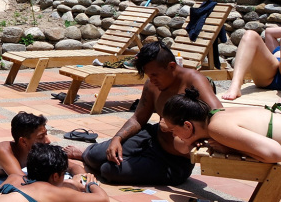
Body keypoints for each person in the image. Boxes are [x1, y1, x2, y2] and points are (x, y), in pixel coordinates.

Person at [68, 40, 222, 185]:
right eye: (149, 76)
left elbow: (218, 114)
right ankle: (86, 154)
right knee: (96, 157)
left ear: (172, 66)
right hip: (152, 137)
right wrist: (117, 138)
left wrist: (187, 131)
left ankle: (130, 160)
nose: (152, 80)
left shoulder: (194, 80)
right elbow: (138, 118)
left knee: (109, 170)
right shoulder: (152, 84)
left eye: (155, 75)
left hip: (174, 160)